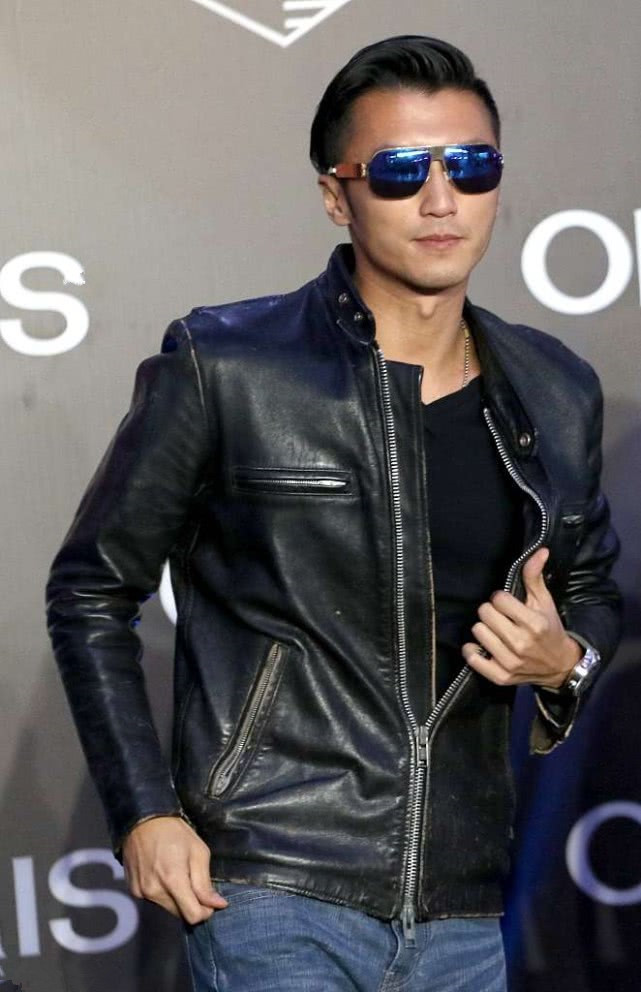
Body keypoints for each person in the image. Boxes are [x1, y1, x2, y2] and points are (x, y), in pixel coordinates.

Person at [45, 34, 623, 992]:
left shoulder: (553, 388)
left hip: (463, 906)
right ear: (334, 194)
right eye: (399, 171)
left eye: (470, 167)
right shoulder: (229, 365)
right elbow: (91, 592)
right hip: (272, 879)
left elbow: (591, 586)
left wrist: (565, 662)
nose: (440, 200)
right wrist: (145, 811)